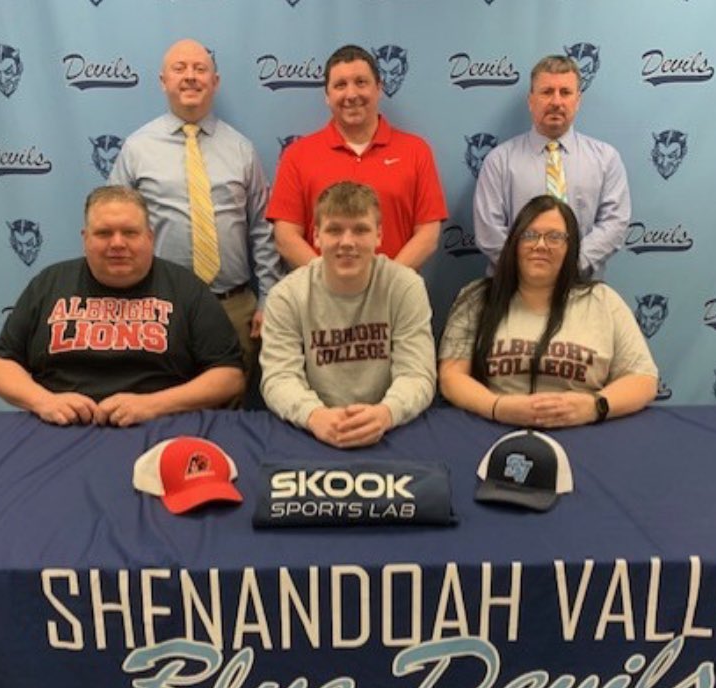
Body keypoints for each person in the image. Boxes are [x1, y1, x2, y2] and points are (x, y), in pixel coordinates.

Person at [0, 186, 244, 426]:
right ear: (85, 238)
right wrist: (45, 402)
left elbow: (229, 376)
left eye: (130, 232)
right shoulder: (49, 283)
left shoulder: (187, 288)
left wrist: (153, 405)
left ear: (150, 237)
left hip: (160, 425)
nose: (117, 244)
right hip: (60, 426)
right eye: (104, 233)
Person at [107, 38, 282, 377]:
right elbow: (114, 228)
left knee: (231, 413)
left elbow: (263, 228)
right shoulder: (137, 149)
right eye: (180, 68)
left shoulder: (241, 149)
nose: (190, 76)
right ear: (163, 81)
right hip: (157, 308)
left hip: (233, 309)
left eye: (200, 69)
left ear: (214, 82)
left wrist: (269, 299)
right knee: (161, 406)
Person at [439, 195, 656, 428]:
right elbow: (451, 377)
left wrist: (595, 406)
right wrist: (498, 407)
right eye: (530, 235)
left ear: (570, 247)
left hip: (584, 433)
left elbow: (643, 379)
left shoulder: (604, 302)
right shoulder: (476, 298)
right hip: (495, 430)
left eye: (555, 237)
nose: (540, 245)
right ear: (514, 243)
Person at [260, 182, 436, 448]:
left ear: (379, 235)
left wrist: (386, 413)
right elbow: (279, 377)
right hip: (311, 431)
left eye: (361, 230)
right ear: (316, 236)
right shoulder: (287, 296)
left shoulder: (405, 286)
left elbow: (417, 374)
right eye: (334, 230)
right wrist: (314, 416)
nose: (347, 242)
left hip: (390, 429)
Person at [267, 44, 447, 271]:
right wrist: (333, 281)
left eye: (361, 82)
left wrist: (384, 283)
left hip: (394, 297)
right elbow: (286, 237)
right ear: (327, 96)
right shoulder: (297, 155)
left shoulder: (416, 151)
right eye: (340, 85)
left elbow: (428, 235)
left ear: (379, 88)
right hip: (322, 300)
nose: (351, 94)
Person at [473, 55, 630, 280]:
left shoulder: (606, 159)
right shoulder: (499, 160)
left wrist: (571, 265)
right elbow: (489, 232)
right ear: (531, 100)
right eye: (547, 92)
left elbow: (614, 223)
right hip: (515, 290)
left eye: (565, 92)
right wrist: (532, 271)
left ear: (578, 100)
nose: (556, 101)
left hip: (582, 288)